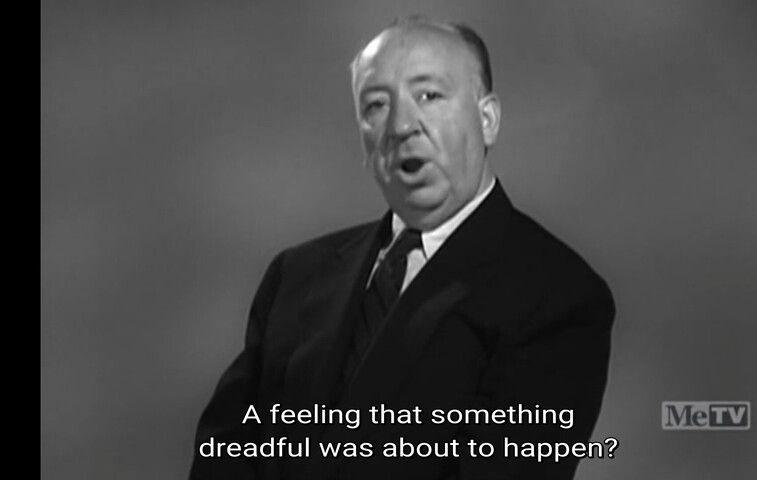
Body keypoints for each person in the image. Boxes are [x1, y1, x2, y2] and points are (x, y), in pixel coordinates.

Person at [190, 16, 615, 480]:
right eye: (376, 105)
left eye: (429, 96)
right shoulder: (297, 275)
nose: (401, 125)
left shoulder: (557, 294)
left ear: (487, 119)